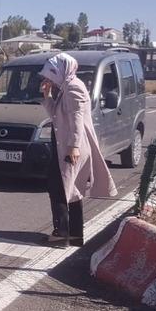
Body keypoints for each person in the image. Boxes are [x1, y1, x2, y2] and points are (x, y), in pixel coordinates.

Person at [39, 53, 116, 247]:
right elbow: (56, 116)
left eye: (52, 73)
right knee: (70, 189)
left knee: (58, 188)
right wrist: (47, 97)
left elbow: (77, 121)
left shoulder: (74, 88)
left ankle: (61, 234)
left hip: (71, 147)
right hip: (66, 145)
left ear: (63, 70)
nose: (49, 78)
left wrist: (73, 147)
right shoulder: (66, 87)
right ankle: (74, 235)